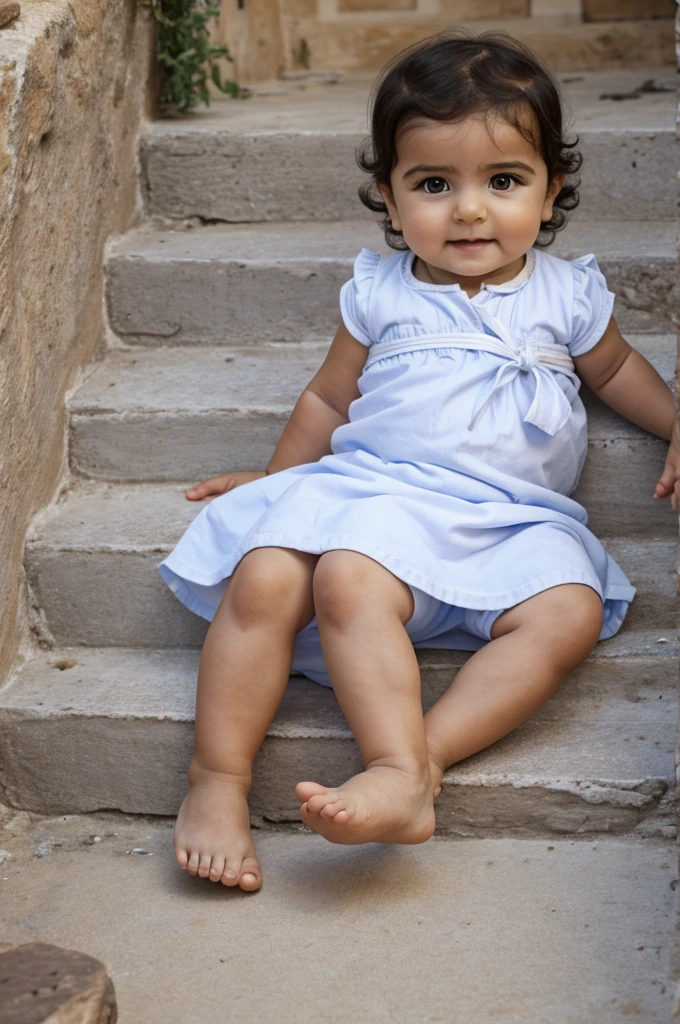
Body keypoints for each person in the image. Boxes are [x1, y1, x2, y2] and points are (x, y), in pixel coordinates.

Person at [158, 31, 680, 892]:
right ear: (391, 201)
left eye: (503, 181)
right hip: (377, 499)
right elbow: (329, 401)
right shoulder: (380, 292)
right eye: (434, 185)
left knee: (571, 613)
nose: (469, 210)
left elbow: (618, 372)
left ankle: (416, 762)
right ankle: (215, 780)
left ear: (551, 193)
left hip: (509, 521)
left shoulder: (567, 293)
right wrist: (281, 482)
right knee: (277, 577)